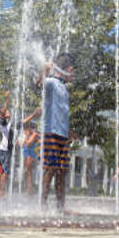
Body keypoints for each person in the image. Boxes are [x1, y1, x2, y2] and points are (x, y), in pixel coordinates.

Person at [39, 53, 76, 213]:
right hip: (51, 133)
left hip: (62, 135)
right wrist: (45, 70)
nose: (74, 75)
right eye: (72, 71)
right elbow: (39, 84)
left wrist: (69, 130)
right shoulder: (52, 83)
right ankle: (43, 204)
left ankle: (61, 206)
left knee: (62, 171)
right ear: (67, 69)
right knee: (50, 168)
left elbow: (62, 112)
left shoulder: (64, 89)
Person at [0, 91, 39, 199]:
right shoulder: (3, 123)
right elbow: (3, 111)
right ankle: (2, 193)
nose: (8, 111)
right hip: (4, 150)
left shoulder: (11, 124)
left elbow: (24, 121)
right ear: (2, 115)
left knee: (1, 171)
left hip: (5, 150)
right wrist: (7, 99)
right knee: (5, 172)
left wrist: (34, 114)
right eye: (6, 112)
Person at [22, 121, 40, 196]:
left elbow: (29, 144)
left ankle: (30, 191)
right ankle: (29, 189)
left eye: (28, 128)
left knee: (29, 172)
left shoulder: (34, 134)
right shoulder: (29, 134)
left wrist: (26, 137)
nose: (27, 130)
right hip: (26, 153)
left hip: (31, 154)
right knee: (26, 172)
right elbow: (22, 144)